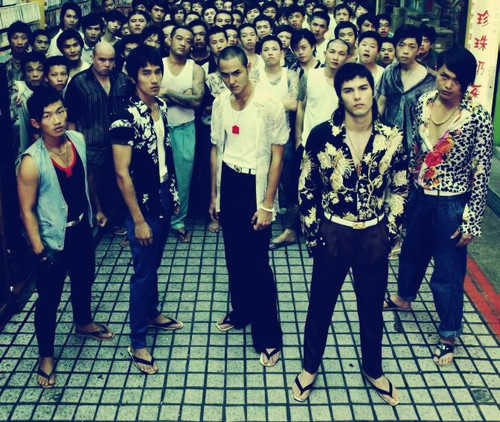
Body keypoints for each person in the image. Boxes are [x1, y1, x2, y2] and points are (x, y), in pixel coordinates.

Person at [293, 63, 408, 406]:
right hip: (334, 231)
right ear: (340, 95)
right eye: (348, 90)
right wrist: (314, 234)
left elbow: (400, 187)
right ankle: (310, 368)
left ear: (372, 90)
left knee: (371, 308)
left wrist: (389, 233)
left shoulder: (392, 136)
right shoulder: (322, 135)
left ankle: (373, 369)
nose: (357, 96)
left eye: (363, 88)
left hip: (373, 233)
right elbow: (306, 186)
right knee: (320, 305)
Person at [383, 48, 493, 367]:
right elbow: (414, 148)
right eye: (444, 76)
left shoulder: (477, 116)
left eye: (456, 80)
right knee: (411, 253)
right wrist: (405, 189)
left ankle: (448, 334)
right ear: (436, 72)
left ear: (467, 83)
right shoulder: (424, 101)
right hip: (420, 195)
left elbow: (482, 170)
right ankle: (404, 297)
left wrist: (471, 220)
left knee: (447, 271)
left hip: (452, 203)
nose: (447, 84)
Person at [18, 86, 112, 389]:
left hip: (81, 228)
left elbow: (87, 178)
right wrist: (39, 250)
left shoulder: (77, 140)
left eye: (60, 111)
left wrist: (97, 208)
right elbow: (26, 210)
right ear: (36, 122)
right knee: (49, 300)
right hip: (52, 241)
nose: (57, 119)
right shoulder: (31, 161)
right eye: (48, 116)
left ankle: (83, 322)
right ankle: (45, 356)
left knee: (84, 278)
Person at [209, 46, 287, 366]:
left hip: (256, 185)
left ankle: (269, 336)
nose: (232, 80)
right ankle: (241, 312)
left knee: (258, 264)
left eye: (237, 73)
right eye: (225, 75)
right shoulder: (220, 103)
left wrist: (267, 204)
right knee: (233, 257)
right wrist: (214, 195)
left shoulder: (269, 104)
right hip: (229, 183)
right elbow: (216, 148)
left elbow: (278, 156)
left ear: (248, 67)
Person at [111, 45, 182, 374]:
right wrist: (138, 220)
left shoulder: (160, 106)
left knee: (154, 264)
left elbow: (164, 154)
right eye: (146, 73)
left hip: (163, 193)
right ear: (132, 77)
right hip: (142, 205)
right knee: (143, 272)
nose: (154, 79)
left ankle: (151, 313)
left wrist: (173, 194)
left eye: (157, 72)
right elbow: (121, 174)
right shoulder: (124, 117)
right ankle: (137, 341)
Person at [65, 42, 130, 233]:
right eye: (102, 59)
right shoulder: (78, 82)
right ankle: (95, 224)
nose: (107, 64)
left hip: (119, 144)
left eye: (111, 60)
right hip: (91, 146)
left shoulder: (122, 80)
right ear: (92, 57)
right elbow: (71, 119)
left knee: (117, 185)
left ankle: (115, 222)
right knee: (92, 187)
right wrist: (73, 147)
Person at [160, 26, 205, 242]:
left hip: (185, 128)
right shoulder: (157, 64)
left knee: (183, 178)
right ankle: (157, 218)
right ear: (169, 39)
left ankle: (178, 221)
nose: (183, 43)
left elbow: (197, 101)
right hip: (158, 128)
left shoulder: (196, 69)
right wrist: (183, 96)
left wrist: (167, 93)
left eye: (188, 40)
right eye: (179, 38)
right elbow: (149, 96)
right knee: (156, 175)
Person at [377, 24, 435, 151]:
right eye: (401, 45)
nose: (405, 51)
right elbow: (381, 104)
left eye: (411, 46)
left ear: (418, 50)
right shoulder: (389, 72)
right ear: (395, 47)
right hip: (388, 140)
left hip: (416, 145)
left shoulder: (431, 80)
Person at [10, 52, 45, 161]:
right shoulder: (18, 88)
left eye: (39, 69)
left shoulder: (48, 90)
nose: (35, 74)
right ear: (23, 72)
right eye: (30, 70)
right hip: (21, 151)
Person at [5, 21, 31, 88]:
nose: (19, 42)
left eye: (24, 38)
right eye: (15, 38)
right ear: (9, 40)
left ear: (28, 41)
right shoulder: (4, 62)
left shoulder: (33, 60)